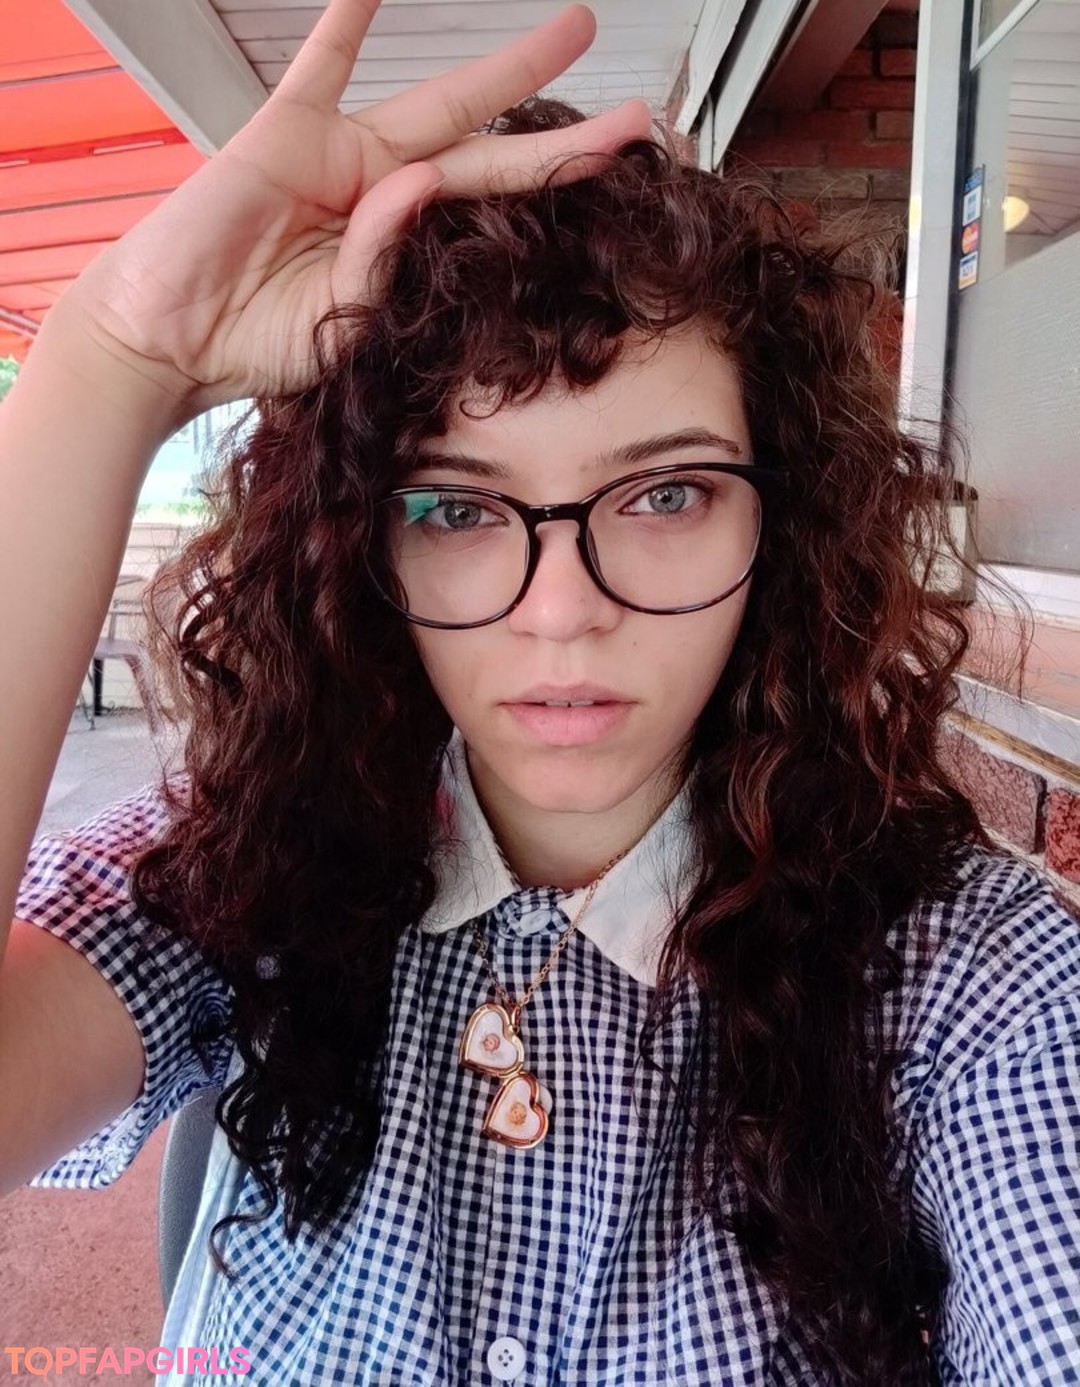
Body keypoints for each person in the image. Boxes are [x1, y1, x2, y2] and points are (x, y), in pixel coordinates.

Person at [1, 1, 1078, 1383]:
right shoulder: (247, 874)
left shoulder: (967, 977)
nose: (563, 611)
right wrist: (115, 358)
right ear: (361, 546)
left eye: (667, 494)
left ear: (786, 523)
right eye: (456, 509)